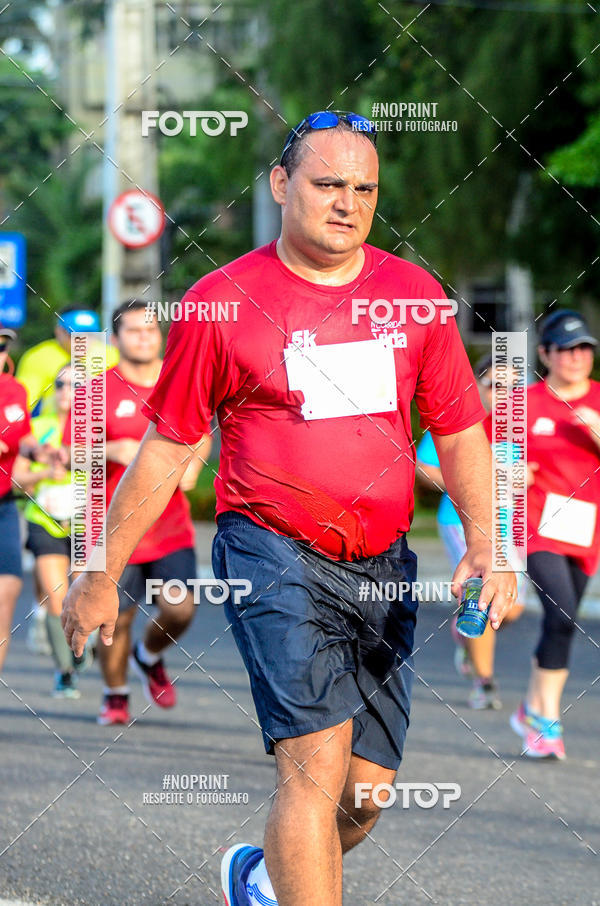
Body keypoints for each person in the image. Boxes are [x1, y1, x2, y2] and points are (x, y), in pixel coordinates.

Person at [62, 111, 516, 906]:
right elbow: (167, 450)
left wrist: (489, 542)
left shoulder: (414, 297)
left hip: (382, 564)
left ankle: (260, 877)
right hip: (271, 550)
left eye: (364, 189)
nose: (347, 203)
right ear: (281, 184)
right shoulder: (221, 302)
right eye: (328, 183)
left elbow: (461, 429)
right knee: (313, 763)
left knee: (364, 796)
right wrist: (100, 570)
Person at [64, 300, 210, 725]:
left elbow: (202, 433)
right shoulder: (96, 390)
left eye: (150, 329)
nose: (144, 337)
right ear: (115, 339)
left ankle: (148, 655)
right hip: (114, 530)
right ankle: (116, 694)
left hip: (169, 529)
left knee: (180, 609)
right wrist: (112, 449)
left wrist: (194, 464)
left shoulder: (179, 380)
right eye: (133, 330)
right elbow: (71, 452)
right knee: (116, 619)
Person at [510, 309, 600, 760]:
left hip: (586, 531)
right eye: (565, 349)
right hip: (537, 526)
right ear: (544, 353)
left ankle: (530, 708)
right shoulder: (523, 404)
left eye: (583, 348)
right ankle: (546, 721)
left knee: (560, 622)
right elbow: (483, 456)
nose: (576, 357)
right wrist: (511, 472)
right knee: (561, 614)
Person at [417, 352, 524, 709]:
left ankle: (463, 634)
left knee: (514, 606)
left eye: (513, 388)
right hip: (463, 523)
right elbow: (423, 467)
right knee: (485, 595)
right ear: (476, 387)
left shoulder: (520, 427)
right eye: (494, 385)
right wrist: (468, 486)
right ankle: (484, 683)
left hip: (511, 528)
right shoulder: (462, 422)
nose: (504, 394)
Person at [13, 363, 91, 698]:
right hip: (44, 521)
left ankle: (81, 643)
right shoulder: (39, 427)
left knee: (83, 596)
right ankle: (65, 671)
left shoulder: (95, 428)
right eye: (60, 384)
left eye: (75, 386)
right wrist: (45, 473)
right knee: (56, 596)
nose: (66, 392)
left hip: (85, 522)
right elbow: (17, 476)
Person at [0, 326, 61, 671]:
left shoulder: (14, 390)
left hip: (4, 506)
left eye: (2, 346)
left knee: (6, 594)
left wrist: (40, 450)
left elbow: (22, 437)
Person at [16, 305, 119, 416]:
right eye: (75, 334)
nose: (84, 340)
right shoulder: (38, 358)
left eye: (90, 334)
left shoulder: (112, 356)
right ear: (58, 331)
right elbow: (20, 406)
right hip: (53, 424)